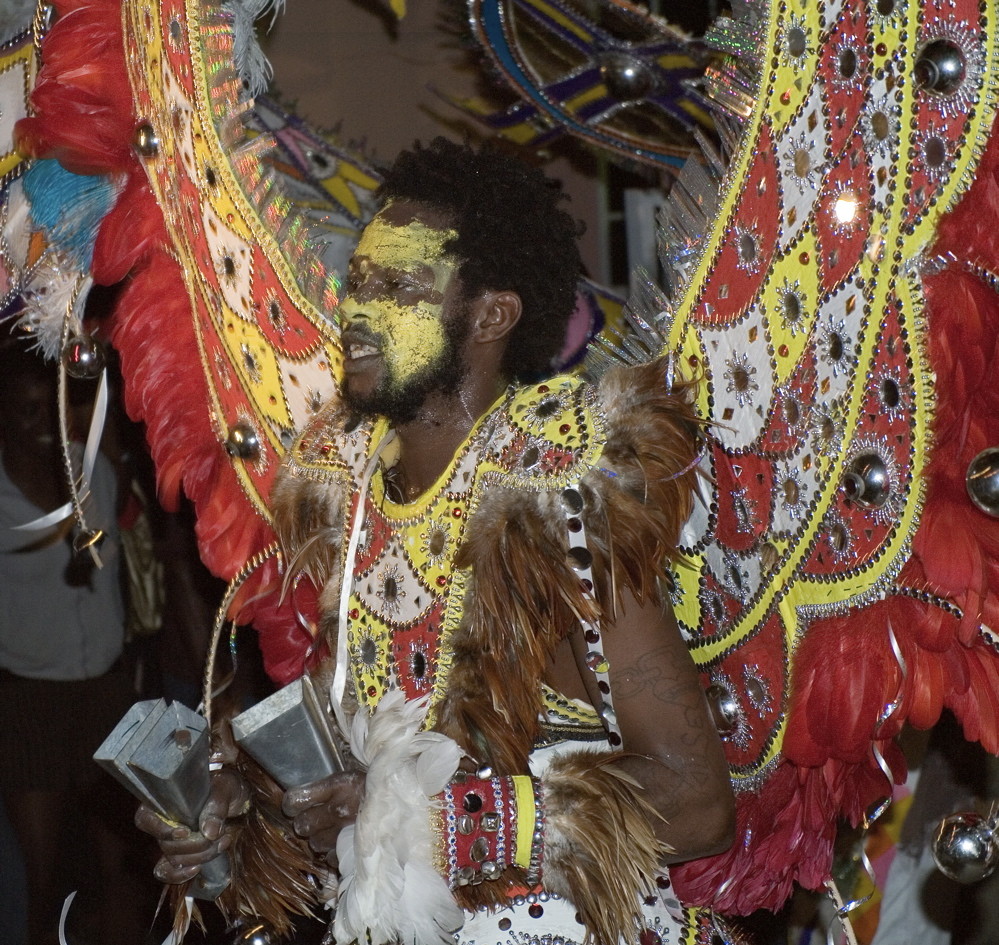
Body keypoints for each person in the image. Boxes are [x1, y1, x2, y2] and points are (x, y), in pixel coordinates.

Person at [138, 138, 737, 945]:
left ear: (490, 315)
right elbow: (351, 777)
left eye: (397, 286)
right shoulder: (346, 500)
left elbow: (697, 801)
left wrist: (438, 822)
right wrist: (238, 810)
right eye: (357, 282)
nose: (356, 310)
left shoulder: (549, 501)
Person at [0, 340, 156, 945]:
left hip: (107, 694)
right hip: (29, 701)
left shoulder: (94, 470)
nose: (37, 423)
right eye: (21, 410)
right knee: (43, 882)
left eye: (48, 408)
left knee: (125, 870)